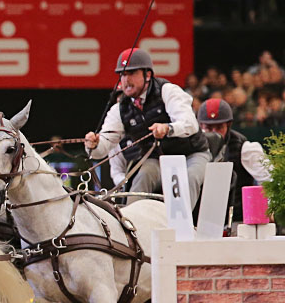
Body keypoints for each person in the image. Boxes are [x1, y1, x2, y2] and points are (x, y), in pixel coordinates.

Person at [84, 47, 211, 206]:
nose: (126, 80)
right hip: (157, 160)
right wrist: (93, 145)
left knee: (189, 177)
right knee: (142, 176)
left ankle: (183, 229)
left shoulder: (167, 91)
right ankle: (130, 226)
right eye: (122, 75)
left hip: (191, 154)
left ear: (148, 74)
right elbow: (103, 145)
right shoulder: (119, 109)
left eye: (132, 73)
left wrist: (168, 128)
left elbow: (190, 124)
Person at [197, 98, 252, 221]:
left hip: (236, 219)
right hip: (201, 218)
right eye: (209, 128)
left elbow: (267, 178)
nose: (215, 134)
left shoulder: (244, 147)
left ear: (228, 125)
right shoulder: (193, 148)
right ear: (200, 126)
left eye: (219, 128)